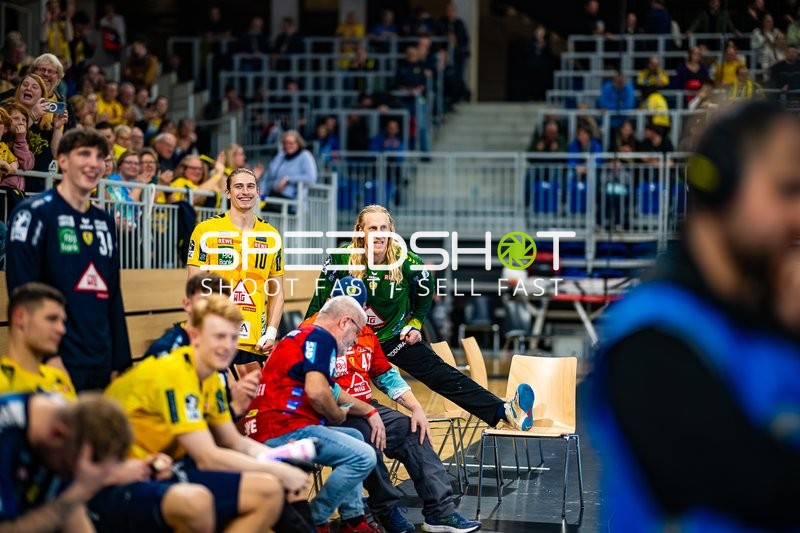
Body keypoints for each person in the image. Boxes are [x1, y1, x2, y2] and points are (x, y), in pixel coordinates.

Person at [593, 100, 800, 530]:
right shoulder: (653, 338)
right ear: (722, 184)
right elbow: (763, 488)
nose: (796, 215)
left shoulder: (765, 323)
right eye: (785, 190)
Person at [306, 205, 534, 432]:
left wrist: (415, 323)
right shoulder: (340, 258)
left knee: (441, 374)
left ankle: (504, 411)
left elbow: (426, 291)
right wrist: (303, 337)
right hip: (352, 340)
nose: (379, 234)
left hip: (392, 339)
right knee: (316, 376)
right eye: (373, 228)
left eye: (384, 228)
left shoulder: (407, 262)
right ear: (360, 232)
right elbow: (319, 302)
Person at [102, 294, 310, 532]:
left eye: (233, 337)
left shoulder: (210, 375)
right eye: (219, 337)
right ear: (195, 336)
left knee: (271, 489)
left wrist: (281, 457)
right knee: (268, 487)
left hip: (165, 467)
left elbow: (233, 440)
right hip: (122, 477)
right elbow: (207, 456)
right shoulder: (174, 371)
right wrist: (279, 470)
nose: (228, 346)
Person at [302, 277, 482, 533]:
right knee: (364, 437)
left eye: (359, 310)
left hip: (367, 405)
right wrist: (367, 412)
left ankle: (440, 513)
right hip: (334, 412)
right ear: (332, 303)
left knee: (413, 429)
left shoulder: (364, 331)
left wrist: (415, 407)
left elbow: (384, 373)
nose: (355, 318)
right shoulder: (312, 332)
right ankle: (386, 511)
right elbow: (320, 390)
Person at [6, 128, 131, 391]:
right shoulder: (33, 213)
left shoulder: (105, 221)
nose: (93, 163)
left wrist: (122, 361)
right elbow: (22, 291)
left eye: (100, 157)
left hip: (101, 359)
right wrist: (49, 357)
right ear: (62, 160)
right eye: (84, 154)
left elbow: (113, 294)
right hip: (54, 360)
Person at [245, 296, 380, 533]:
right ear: (345, 322)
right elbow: (318, 392)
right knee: (364, 456)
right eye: (357, 331)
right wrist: (337, 414)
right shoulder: (321, 338)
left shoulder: (298, 336)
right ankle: (317, 519)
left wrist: (363, 409)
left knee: (356, 437)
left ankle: (353, 519)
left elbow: (326, 391)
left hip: (269, 426)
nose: (355, 340)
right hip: (283, 429)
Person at [188, 168, 284, 365]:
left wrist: (272, 332)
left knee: (251, 395)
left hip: (256, 343)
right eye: (238, 186)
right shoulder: (206, 231)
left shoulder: (271, 235)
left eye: (250, 187)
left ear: (258, 192)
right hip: (216, 337)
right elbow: (195, 286)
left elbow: (277, 290)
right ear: (228, 193)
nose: (245, 192)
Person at [0, 393, 131, 531]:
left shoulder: (68, 425)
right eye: (68, 471)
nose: (69, 478)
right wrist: (78, 492)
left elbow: (72, 515)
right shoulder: (6, 436)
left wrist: (76, 494)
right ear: (57, 434)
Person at [143, 273, 261, 419]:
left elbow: (218, 419)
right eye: (205, 303)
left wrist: (238, 395)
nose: (213, 311)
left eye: (219, 304)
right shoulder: (167, 351)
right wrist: (235, 407)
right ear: (187, 304)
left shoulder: (217, 349)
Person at [1, 282, 75, 396]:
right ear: (20, 318)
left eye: (62, 321)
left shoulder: (61, 379)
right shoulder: (3, 382)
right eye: (52, 319)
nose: (61, 329)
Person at [263, 130, 318, 201]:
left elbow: (310, 178)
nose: (288, 146)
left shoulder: (305, 156)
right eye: (285, 143)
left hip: (291, 199)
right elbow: (268, 175)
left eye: (291, 143)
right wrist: (262, 191)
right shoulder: (281, 156)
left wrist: (287, 179)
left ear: (298, 143)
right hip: (272, 194)